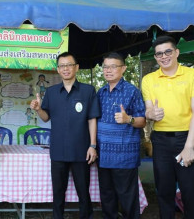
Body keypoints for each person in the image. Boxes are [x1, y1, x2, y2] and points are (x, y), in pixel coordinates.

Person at [30, 51, 100, 219]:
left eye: (69, 65)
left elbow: (92, 119)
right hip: (58, 150)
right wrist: (39, 109)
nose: (66, 69)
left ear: (76, 67)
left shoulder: (88, 91)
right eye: (62, 66)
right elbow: (46, 118)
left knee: (83, 192)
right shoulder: (52, 92)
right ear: (58, 70)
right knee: (58, 193)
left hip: (81, 150)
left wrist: (92, 145)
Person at [142, 35, 194, 218]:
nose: (163, 56)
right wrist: (151, 114)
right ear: (155, 57)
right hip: (161, 141)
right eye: (159, 54)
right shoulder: (149, 79)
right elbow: (148, 110)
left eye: (167, 51)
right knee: (164, 192)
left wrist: (189, 147)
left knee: (190, 192)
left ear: (177, 52)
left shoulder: (191, 75)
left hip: (187, 139)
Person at [97, 52, 146, 219]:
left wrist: (128, 119)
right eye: (105, 67)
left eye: (113, 66)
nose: (108, 70)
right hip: (103, 154)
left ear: (123, 68)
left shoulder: (132, 91)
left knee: (127, 198)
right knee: (107, 196)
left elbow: (142, 121)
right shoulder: (101, 92)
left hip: (124, 155)